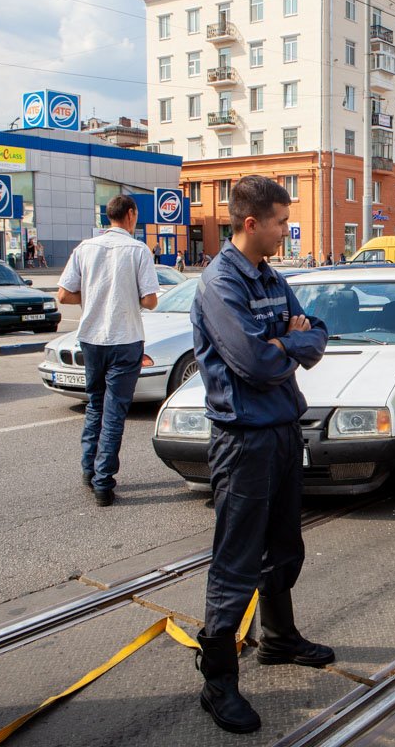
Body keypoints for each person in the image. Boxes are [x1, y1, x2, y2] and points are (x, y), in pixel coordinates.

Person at [190, 176, 331, 734]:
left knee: (283, 545)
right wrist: (283, 345)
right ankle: (217, 679)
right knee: (236, 560)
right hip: (242, 439)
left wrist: (288, 341)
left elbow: (317, 332)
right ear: (252, 224)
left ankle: (278, 640)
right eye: (279, 221)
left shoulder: (271, 276)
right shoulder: (219, 283)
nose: (285, 229)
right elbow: (256, 363)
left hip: (279, 430)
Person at [56, 196, 160, 507]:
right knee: (115, 411)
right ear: (130, 215)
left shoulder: (84, 248)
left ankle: (89, 471)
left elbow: (63, 294)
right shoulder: (138, 250)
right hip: (125, 338)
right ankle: (104, 482)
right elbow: (150, 301)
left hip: (90, 338)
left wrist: (92, 296)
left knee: (95, 405)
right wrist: (127, 296)